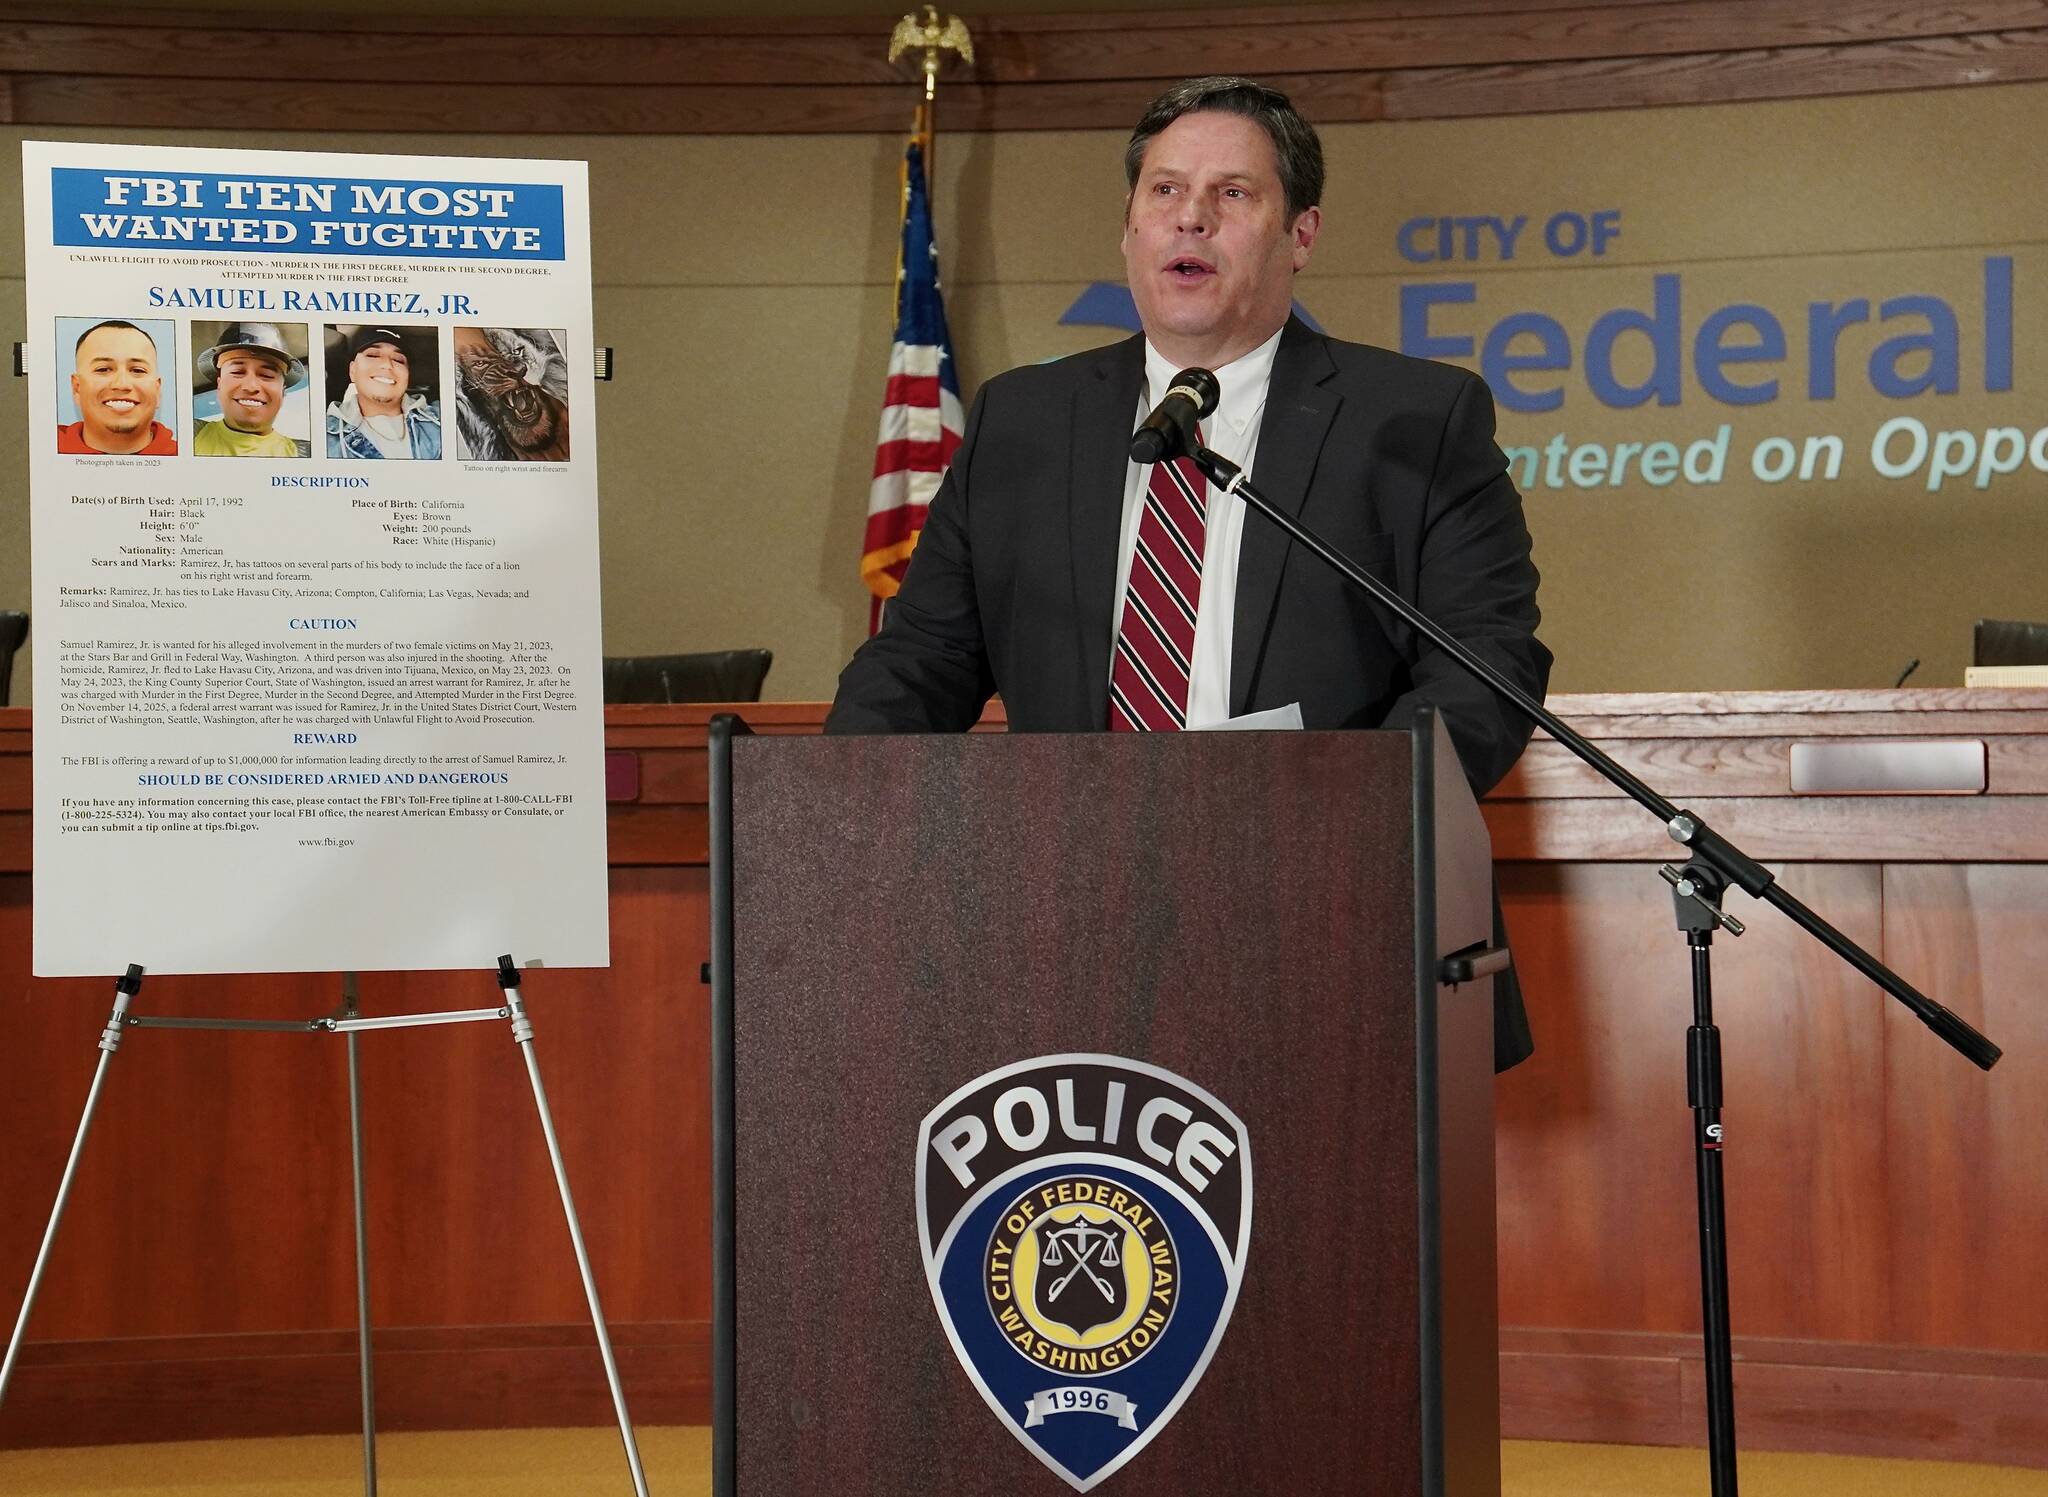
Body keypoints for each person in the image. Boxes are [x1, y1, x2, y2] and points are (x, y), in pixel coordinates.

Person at [826, 76, 1551, 1068]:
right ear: (1128, 229)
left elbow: (1485, 665)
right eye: (1164, 191)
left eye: (1232, 194)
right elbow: (923, 659)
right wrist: (835, 807)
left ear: (1300, 234)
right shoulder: (1023, 422)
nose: (1190, 218)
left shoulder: (1414, 420)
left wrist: (1338, 824)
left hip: (1334, 922)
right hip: (1064, 927)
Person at [59, 320, 176, 455]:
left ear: (157, 391)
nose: (122, 384)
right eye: (103, 369)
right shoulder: (42, 451)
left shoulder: (187, 458)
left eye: (137, 370)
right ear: (77, 388)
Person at [193, 322, 308, 457]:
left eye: (266, 375)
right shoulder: (186, 434)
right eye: (237, 372)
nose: (251, 386)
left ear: (282, 392)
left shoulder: (307, 453)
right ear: (219, 384)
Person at [327, 325, 442, 459]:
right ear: (352, 370)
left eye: (398, 360)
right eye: (373, 355)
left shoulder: (443, 418)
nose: (387, 364)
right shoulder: (322, 436)